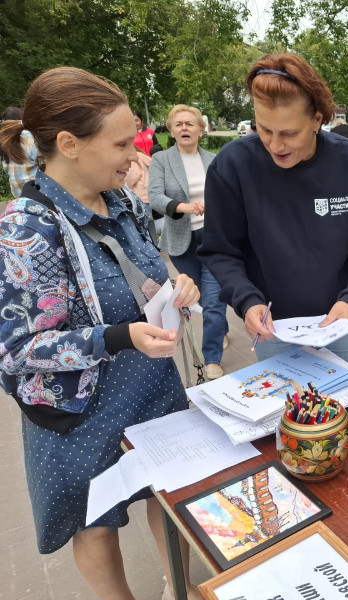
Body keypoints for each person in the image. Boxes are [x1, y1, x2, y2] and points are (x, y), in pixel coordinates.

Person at [0, 67, 202, 600]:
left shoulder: (124, 204)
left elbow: (146, 275)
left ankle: (175, 588)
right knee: (94, 518)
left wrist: (177, 288)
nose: (136, 154)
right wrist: (116, 338)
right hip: (81, 408)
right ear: (68, 144)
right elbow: (20, 349)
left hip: (152, 387)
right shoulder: (27, 230)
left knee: (168, 496)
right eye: (120, 141)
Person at [198, 53, 348, 376]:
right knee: (286, 419)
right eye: (264, 130)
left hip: (343, 321)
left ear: (318, 119)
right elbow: (220, 250)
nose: (275, 145)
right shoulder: (231, 167)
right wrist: (246, 300)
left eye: (289, 133)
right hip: (273, 327)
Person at [149, 104, 229, 380]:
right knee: (202, 301)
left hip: (214, 238)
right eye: (179, 124)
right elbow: (155, 196)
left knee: (215, 300)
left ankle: (212, 357)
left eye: (190, 124)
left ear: (200, 130)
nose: (184, 128)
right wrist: (183, 206)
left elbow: (228, 194)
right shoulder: (162, 160)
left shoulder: (214, 159)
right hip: (182, 241)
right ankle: (221, 328)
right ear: (171, 130)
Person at [1, 106, 39, 196]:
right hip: (36, 191)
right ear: (22, 118)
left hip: (18, 193)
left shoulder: (3, 140)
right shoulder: (29, 136)